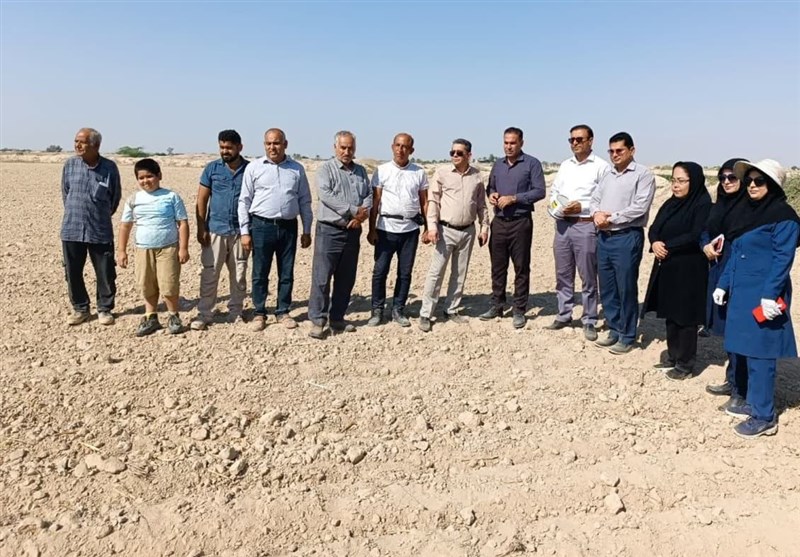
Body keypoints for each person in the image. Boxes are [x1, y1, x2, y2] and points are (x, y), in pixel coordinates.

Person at [712, 159, 800, 438]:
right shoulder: (746, 215)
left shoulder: (784, 217)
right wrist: (723, 285)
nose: (751, 185)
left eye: (759, 181)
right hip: (741, 292)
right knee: (743, 348)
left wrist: (770, 295)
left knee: (761, 353)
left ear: (772, 185)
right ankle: (751, 401)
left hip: (764, 294)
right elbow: (736, 254)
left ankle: (764, 416)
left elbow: (782, 259)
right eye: (749, 180)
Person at [642, 162, 711, 379]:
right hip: (668, 265)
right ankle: (672, 357)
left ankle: (685, 364)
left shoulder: (702, 205)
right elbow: (655, 227)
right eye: (673, 180)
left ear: (694, 181)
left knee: (686, 316)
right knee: (671, 313)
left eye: (681, 181)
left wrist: (667, 246)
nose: (675, 185)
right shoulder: (671, 203)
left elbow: (695, 234)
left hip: (690, 268)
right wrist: (655, 242)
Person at [239, 128, 313, 332]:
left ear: (285, 144)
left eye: (277, 143)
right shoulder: (254, 168)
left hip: (288, 227)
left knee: (286, 272)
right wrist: (245, 232)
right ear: (264, 145)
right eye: (269, 143)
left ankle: (283, 311)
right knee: (260, 272)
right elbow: (244, 201)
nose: (273, 147)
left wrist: (307, 230)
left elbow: (305, 200)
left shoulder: (297, 169)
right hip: (261, 226)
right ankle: (259, 312)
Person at [589, 132, 655, 354]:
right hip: (604, 237)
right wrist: (597, 213)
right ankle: (614, 329)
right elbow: (594, 199)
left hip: (626, 237)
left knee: (625, 287)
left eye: (619, 150)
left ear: (631, 150)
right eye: (611, 151)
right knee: (607, 288)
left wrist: (612, 218)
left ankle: (627, 335)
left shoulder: (643, 175)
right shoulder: (608, 174)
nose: (615, 155)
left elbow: (640, 207)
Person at [545, 124, 610, 340]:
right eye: (571, 139)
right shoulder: (566, 165)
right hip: (563, 225)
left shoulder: (601, 167)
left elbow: (605, 198)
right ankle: (564, 314)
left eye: (579, 139)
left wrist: (582, 207)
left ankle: (589, 318)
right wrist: (558, 207)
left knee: (588, 274)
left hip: (585, 224)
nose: (575, 143)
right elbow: (555, 192)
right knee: (563, 273)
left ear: (590, 141)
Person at [418, 138, 489, 332]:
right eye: (452, 153)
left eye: (459, 153)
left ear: (469, 155)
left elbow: (481, 205)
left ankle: (451, 309)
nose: (455, 156)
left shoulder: (477, 176)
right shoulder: (441, 173)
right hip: (445, 231)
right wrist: (432, 227)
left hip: (468, 231)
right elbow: (433, 202)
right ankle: (426, 313)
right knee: (436, 272)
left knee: (459, 273)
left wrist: (484, 227)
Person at [480, 127, 546, 329]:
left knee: (521, 267)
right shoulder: (498, 164)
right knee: (498, 266)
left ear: (521, 143)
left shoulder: (532, 163)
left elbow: (540, 191)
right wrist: (492, 194)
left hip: (520, 222)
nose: (509, 146)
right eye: (506, 142)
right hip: (499, 222)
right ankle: (497, 305)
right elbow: (490, 187)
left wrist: (515, 198)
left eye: (513, 143)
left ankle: (519, 309)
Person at [308, 131, 372, 339]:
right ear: (335, 147)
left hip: (353, 232)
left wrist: (360, 218)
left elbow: (369, 195)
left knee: (346, 278)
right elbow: (326, 195)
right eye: (343, 147)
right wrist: (353, 211)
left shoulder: (360, 171)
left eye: (350, 148)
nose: (346, 151)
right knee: (322, 278)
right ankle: (318, 321)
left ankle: (337, 319)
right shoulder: (326, 169)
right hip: (329, 231)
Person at [116, 158, 190, 336]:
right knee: (146, 283)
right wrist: (121, 250)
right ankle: (151, 317)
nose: (146, 181)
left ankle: (173, 316)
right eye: (141, 178)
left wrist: (183, 248)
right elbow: (125, 226)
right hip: (143, 249)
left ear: (159, 176)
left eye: (149, 176)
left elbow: (183, 223)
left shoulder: (171, 197)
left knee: (169, 283)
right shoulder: (134, 199)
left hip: (168, 248)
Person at [60, 128, 122, 326]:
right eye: (76, 141)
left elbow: (115, 197)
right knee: (72, 272)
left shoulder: (109, 167)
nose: (77, 145)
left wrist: (98, 214)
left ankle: (104, 309)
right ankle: (81, 309)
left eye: (82, 142)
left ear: (95, 145)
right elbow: (66, 193)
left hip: (100, 229)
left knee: (105, 272)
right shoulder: (70, 165)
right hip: (72, 228)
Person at [367, 133, 429, 327]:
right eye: (398, 145)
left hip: (410, 230)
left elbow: (424, 202)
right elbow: (375, 201)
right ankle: (377, 310)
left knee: (405, 273)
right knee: (380, 271)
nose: (401, 150)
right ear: (392, 146)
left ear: (411, 150)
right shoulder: (382, 170)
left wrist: (428, 228)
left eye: (405, 147)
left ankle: (398, 309)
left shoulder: (419, 172)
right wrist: (371, 229)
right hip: (385, 229)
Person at [190, 130, 250, 330]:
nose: (225, 151)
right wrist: (201, 228)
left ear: (239, 147)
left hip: (240, 232)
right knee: (210, 274)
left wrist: (249, 232)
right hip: (215, 230)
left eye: (229, 148)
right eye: (222, 147)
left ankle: (236, 312)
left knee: (239, 275)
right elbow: (201, 199)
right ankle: (204, 313)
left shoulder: (250, 170)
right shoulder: (212, 169)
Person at [701, 159, 750, 402]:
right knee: (729, 329)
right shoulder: (719, 205)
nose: (726, 182)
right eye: (722, 178)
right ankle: (733, 380)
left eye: (732, 177)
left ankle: (743, 388)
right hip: (719, 269)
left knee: (740, 329)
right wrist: (705, 246)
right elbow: (706, 230)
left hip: (740, 272)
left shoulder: (751, 208)